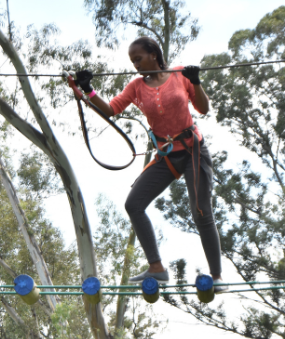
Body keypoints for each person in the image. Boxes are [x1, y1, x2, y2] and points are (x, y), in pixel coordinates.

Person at [73, 36, 225, 291]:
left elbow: (203, 107)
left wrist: (196, 82)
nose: (136, 65)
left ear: (153, 54)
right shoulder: (136, 87)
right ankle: (156, 267)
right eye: (132, 61)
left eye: (139, 59)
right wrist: (89, 90)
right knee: (134, 204)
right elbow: (111, 109)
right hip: (166, 156)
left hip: (192, 150)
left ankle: (217, 276)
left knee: (201, 211)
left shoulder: (180, 75)